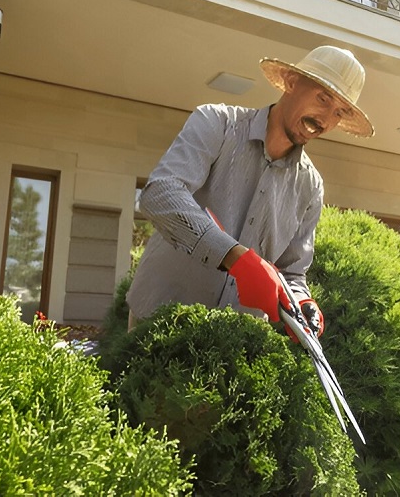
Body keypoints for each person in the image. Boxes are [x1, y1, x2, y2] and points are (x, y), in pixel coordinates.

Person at [126, 45, 374, 337]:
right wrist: (234, 257)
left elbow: (292, 271)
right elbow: (160, 194)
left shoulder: (311, 186)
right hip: (159, 320)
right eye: (323, 99)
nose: (325, 119)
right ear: (291, 82)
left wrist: (301, 300)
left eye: (339, 112)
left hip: (236, 339)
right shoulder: (217, 123)